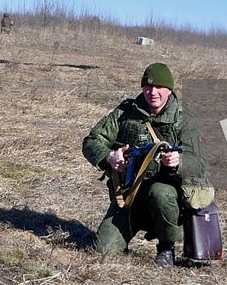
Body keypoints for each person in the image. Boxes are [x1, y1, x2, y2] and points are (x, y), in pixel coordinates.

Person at [82, 62, 213, 267]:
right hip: (128, 197)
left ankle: (166, 246)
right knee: (103, 251)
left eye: (159, 87)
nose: (153, 92)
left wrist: (179, 162)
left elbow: (201, 163)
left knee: (161, 193)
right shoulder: (126, 112)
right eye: (148, 87)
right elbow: (91, 141)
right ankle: (123, 234)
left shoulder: (185, 119)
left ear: (169, 89)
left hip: (166, 198)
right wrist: (109, 157)